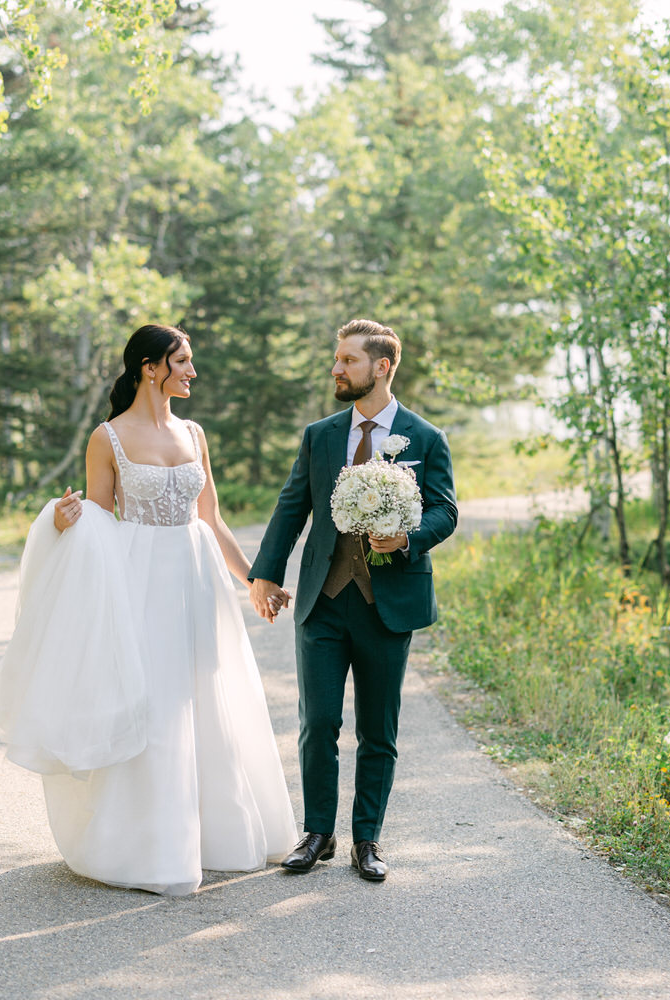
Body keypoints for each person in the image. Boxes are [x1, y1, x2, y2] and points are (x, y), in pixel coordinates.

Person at [0, 323, 296, 895]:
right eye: (183, 362)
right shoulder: (108, 438)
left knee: (205, 698)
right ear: (151, 367)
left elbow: (211, 519)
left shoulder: (195, 433)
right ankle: (149, 846)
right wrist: (60, 521)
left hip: (197, 579)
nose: (192, 372)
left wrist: (256, 580)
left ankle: (214, 836)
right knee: (151, 705)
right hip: (140, 581)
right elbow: (98, 526)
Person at [248, 319, 457, 882]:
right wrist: (264, 574)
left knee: (377, 730)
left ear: (381, 366)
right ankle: (318, 832)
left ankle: (368, 838)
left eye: (347, 360)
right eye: (336, 360)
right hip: (323, 599)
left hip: (388, 603)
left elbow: (445, 510)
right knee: (317, 721)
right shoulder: (320, 435)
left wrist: (408, 538)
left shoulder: (424, 437)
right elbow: (292, 507)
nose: (336, 369)